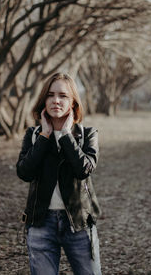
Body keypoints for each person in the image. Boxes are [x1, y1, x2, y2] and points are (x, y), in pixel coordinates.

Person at [16, 73, 102, 275]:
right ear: (43, 100)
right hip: (40, 224)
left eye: (63, 95)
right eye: (51, 95)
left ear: (73, 102)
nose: (56, 100)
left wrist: (64, 135)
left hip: (79, 223)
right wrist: (45, 136)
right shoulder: (34, 135)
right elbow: (24, 172)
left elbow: (84, 170)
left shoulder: (87, 134)